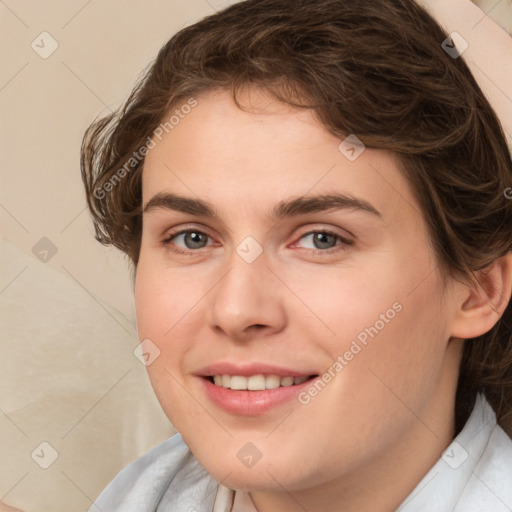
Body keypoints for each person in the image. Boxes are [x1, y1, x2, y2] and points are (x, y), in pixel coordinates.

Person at [80, 0, 512, 510]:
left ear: (478, 289)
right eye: (192, 237)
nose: (236, 310)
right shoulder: (137, 494)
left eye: (321, 239)